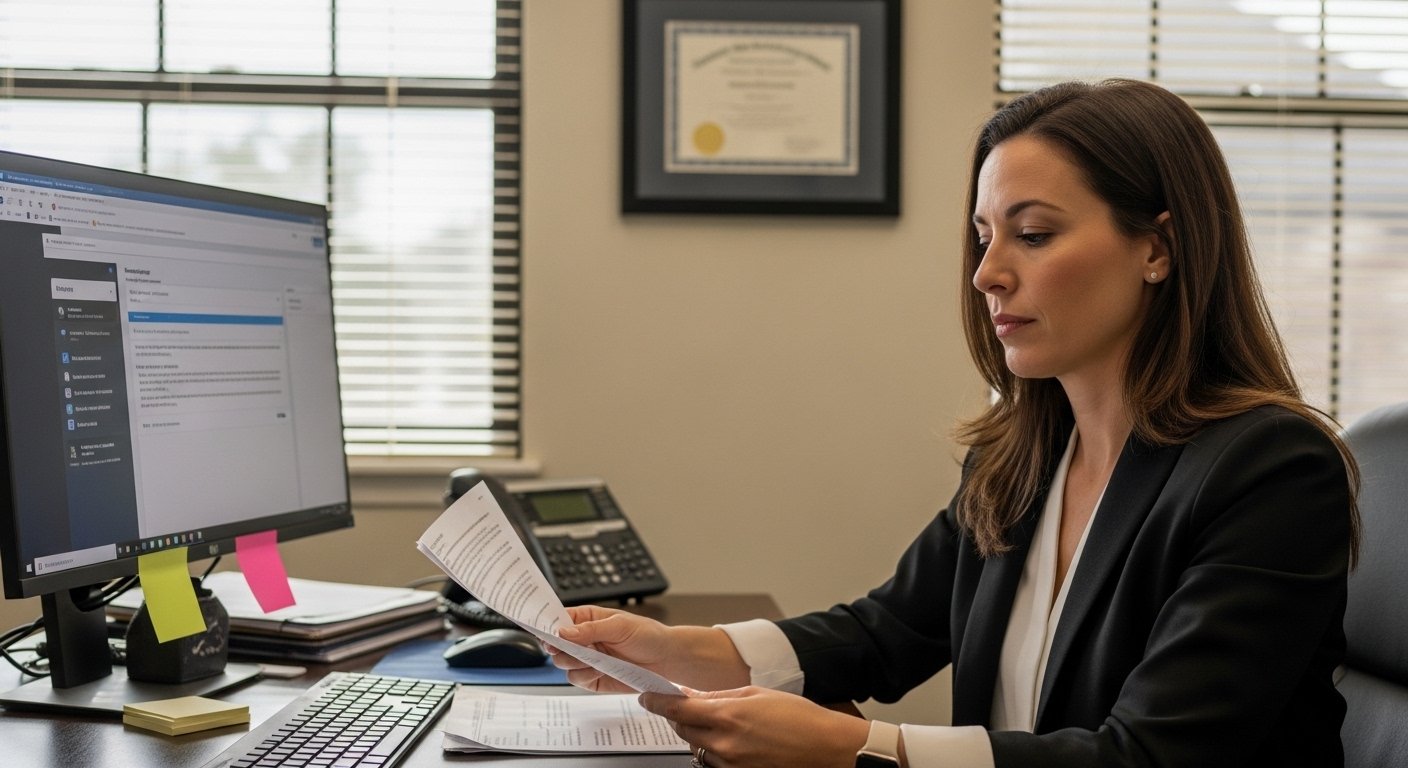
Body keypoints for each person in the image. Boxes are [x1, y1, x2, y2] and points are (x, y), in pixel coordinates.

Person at [548, 79, 1360, 768]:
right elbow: (890, 627)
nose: (986, 274)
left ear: (1158, 248)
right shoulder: (1025, 454)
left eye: (1033, 235)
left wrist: (861, 747)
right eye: (983, 237)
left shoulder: (1272, 469)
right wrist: (686, 651)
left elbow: (1147, 756)